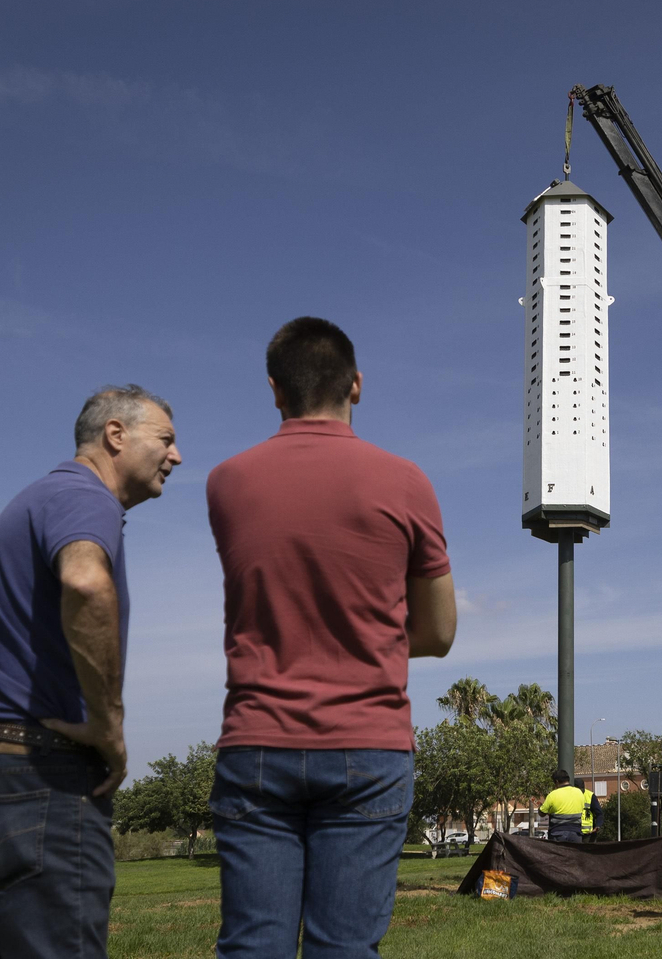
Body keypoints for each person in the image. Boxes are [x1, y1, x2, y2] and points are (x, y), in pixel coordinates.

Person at [206, 317, 457, 957]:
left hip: (259, 740)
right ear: (357, 386)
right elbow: (440, 630)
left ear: (275, 390)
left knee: (252, 945)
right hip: (367, 748)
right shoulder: (406, 482)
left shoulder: (226, 482)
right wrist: (371, 633)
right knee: (344, 948)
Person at [0, 385, 181, 959]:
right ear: (115, 435)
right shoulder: (84, 496)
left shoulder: (38, 500)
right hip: (41, 778)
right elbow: (86, 581)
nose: (176, 457)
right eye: (166, 440)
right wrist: (108, 722)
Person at [541, 768, 586, 842]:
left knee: (558, 853)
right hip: (576, 833)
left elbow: (542, 813)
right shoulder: (579, 793)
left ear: (557, 781)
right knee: (575, 853)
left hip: (558, 833)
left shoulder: (553, 795)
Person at [577, 778, 603, 842]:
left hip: (589, 835)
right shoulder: (571, 796)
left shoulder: (590, 796)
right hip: (575, 834)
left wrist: (597, 826)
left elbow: (599, 813)